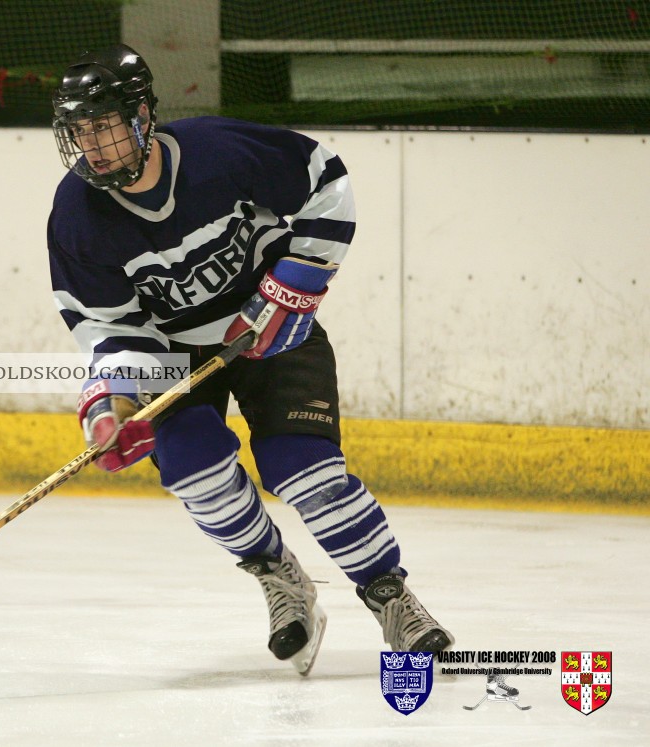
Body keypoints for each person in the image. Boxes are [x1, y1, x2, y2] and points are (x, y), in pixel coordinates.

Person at [46, 43, 454, 676]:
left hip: (272, 330)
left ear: (143, 116)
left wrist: (297, 280)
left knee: (304, 471)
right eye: (80, 131)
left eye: (104, 127)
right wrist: (113, 404)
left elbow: (324, 177)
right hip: (175, 358)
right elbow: (106, 323)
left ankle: (391, 598)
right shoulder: (76, 217)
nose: (93, 146)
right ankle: (279, 575)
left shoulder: (218, 152)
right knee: (192, 469)